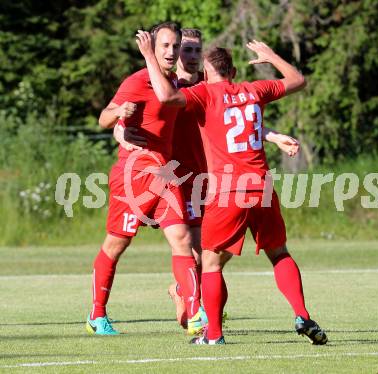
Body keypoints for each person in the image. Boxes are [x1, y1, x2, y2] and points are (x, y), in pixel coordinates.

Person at [135, 30, 328, 345]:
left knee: (210, 263)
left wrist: (147, 56)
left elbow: (167, 97)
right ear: (234, 72)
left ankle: (213, 335)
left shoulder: (205, 93)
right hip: (262, 186)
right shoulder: (254, 90)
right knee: (279, 253)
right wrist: (271, 57)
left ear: (207, 73)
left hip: (227, 192)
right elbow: (297, 80)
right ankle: (302, 314)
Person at [86, 22, 206, 336]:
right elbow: (103, 118)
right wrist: (118, 117)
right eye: (164, 45)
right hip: (133, 177)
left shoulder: (175, 84)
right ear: (151, 48)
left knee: (182, 240)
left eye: (174, 46)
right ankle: (96, 315)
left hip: (165, 175)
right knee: (116, 245)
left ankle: (195, 314)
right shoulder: (137, 81)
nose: (171, 52)